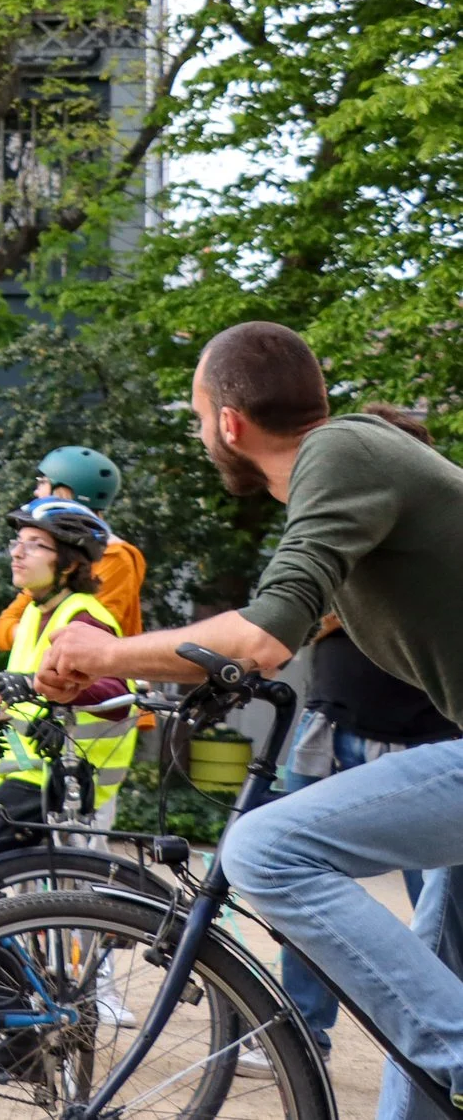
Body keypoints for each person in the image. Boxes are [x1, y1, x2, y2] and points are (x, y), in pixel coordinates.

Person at [38, 321, 463, 1120]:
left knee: (266, 846)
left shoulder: (340, 456)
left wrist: (104, 651)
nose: (203, 436)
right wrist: (138, 663)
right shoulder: (355, 471)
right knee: (432, 975)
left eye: (199, 418)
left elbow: (258, 638)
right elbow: (259, 631)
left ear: (229, 421)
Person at [263, 403, 460, 1063]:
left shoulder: (415, 552)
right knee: (410, 918)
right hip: (331, 725)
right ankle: (303, 1031)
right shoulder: (342, 540)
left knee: (276, 854)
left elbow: (287, 619)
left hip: (422, 739)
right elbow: (300, 613)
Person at [0, 500, 135, 873]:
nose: (17, 553)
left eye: (35, 544)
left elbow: (117, 696)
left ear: (69, 564)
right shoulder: (37, 614)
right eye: (16, 542)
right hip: (30, 779)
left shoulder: (84, 617)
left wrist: (35, 687)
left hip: (59, 784)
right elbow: (31, 702)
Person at [0, 446, 147, 646]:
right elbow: (2, 629)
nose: (36, 491)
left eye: (43, 482)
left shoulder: (116, 557)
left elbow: (88, 637)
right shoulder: (46, 559)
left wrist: (30, 633)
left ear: (65, 493)